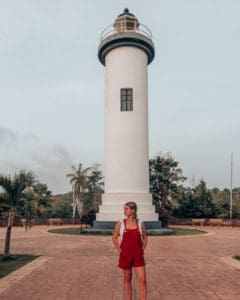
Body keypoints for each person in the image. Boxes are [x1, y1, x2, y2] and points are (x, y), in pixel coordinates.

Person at [112, 201, 148, 300]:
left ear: (133, 210)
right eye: (124, 209)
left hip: (138, 256)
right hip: (125, 255)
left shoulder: (140, 223)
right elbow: (114, 238)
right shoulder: (120, 223)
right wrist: (120, 251)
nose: (124, 211)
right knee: (127, 280)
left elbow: (145, 238)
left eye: (126, 209)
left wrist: (142, 250)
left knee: (143, 280)